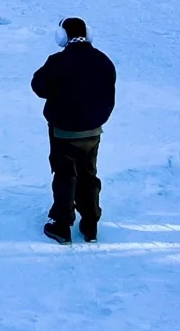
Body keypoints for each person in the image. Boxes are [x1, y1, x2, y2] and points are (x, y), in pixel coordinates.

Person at [30, 16, 116, 244]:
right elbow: (109, 96)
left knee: (65, 175)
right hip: (93, 132)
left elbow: (38, 86)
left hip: (63, 132)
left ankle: (62, 226)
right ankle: (90, 226)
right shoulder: (104, 61)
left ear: (62, 37)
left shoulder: (58, 61)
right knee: (88, 174)